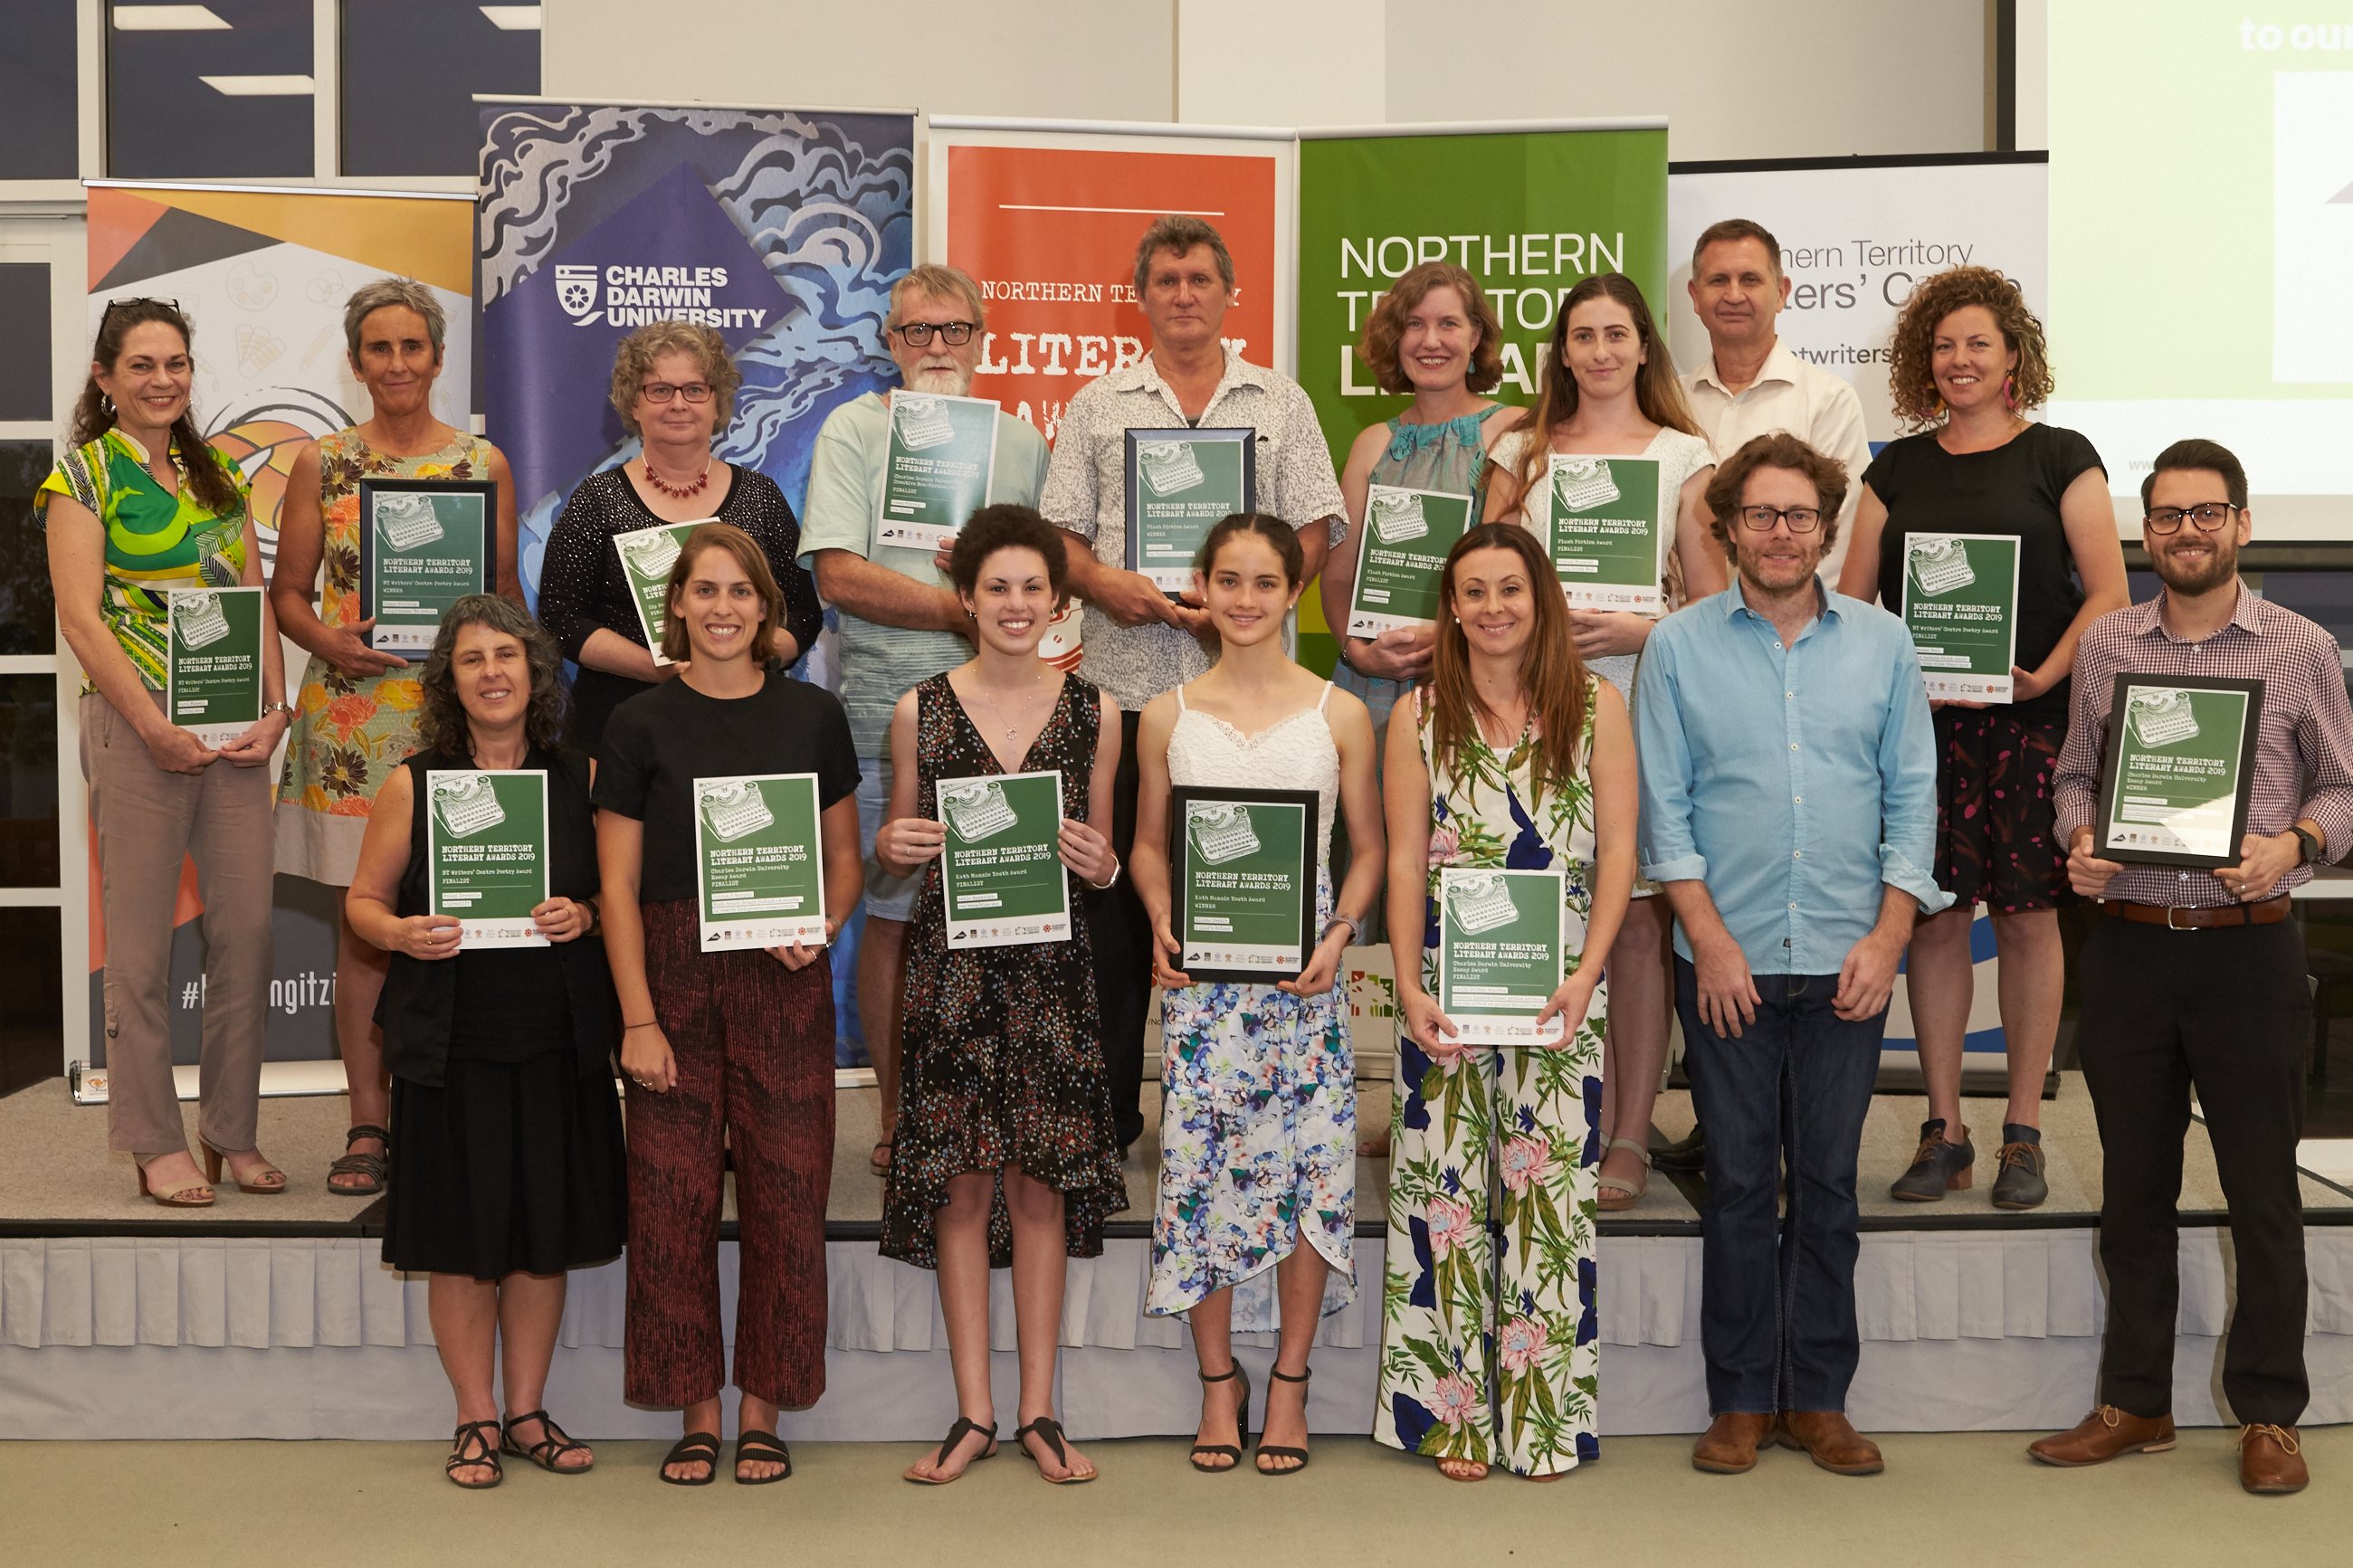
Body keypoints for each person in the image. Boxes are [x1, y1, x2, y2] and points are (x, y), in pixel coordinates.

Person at [2030, 439, 2352, 1497]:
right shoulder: (2111, 641)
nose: (2184, 532)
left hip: (2247, 947)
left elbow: (2346, 791)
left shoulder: (2300, 645)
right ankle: (2136, 1401)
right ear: (2145, 530)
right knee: (2133, 1193)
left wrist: (2295, 843)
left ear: (2241, 524)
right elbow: (2076, 772)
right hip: (2125, 947)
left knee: (2262, 1190)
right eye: (2165, 516)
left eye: (2204, 513)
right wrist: (2078, 837)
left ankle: (2268, 1410)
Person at [1637, 432, 1948, 1478]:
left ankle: (1815, 1396)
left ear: (1827, 526)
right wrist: (1708, 939)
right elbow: (1662, 811)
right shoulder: (1675, 647)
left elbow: (1913, 796)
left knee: (1824, 1181)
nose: (1779, 534)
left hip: (1847, 955)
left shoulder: (1884, 643)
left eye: (1799, 516)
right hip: (1721, 958)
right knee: (1732, 1180)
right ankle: (1736, 1399)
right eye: (1759, 515)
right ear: (1725, 528)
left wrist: (1890, 933)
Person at [1041, 214, 1348, 1160]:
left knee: (1241, 901)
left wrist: (1247, 601)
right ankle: (1110, 1116)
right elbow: (1061, 538)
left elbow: (1315, 525)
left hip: (1249, 704)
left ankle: (1226, 1106)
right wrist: (1108, 586)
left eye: (1199, 278)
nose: (1182, 293)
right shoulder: (1096, 404)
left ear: (1228, 294)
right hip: (1127, 696)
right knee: (1120, 919)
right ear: (1140, 295)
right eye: (1165, 279)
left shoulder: (1280, 401)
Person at [1837, 267, 2126, 1210]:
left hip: (2032, 724)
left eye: (1976, 344)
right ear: (1925, 361)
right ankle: (1943, 1127)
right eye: (1942, 345)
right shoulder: (1894, 469)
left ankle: (2022, 1133)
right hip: (1922, 734)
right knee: (1931, 918)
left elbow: (2109, 597)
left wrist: (2041, 674)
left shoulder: (2060, 457)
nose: (1957, 360)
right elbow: (1851, 602)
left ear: (2012, 357)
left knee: (2027, 917)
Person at [593, 523, 863, 1486]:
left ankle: (764, 1407)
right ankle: (694, 1405)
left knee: (789, 1197)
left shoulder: (812, 717)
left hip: (781, 978)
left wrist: (821, 926)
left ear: (765, 607)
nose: (720, 607)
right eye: (702, 591)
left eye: (738, 592)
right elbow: (614, 888)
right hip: (669, 972)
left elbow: (843, 867)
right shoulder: (636, 725)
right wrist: (636, 1017)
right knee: (670, 1200)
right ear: (676, 607)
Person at [1372, 522, 1635, 1481]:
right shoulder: (1412, 716)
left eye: (1509, 589)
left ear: (1541, 598)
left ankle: (1541, 1420)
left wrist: (1586, 971)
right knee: (1442, 1200)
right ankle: (1453, 1418)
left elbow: (1616, 857)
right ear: (1450, 605)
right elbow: (1402, 861)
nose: (1491, 607)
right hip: (1444, 995)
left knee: (1546, 1203)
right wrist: (1405, 982)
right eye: (1473, 590)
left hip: (1558, 993)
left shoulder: (1596, 705)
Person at [347, 594, 624, 1489]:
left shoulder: (580, 778)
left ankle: (528, 1410)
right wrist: (397, 935)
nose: (493, 671)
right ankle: (473, 1417)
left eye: (507, 653)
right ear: (449, 681)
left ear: (534, 671)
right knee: (465, 1239)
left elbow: (613, 900)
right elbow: (361, 903)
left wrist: (580, 912)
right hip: (451, 1040)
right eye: (472, 659)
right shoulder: (412, 783)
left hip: (555, 1037)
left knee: (541, 1236)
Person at [875, 507, 1126, 1487]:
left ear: (1057, 601)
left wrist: (1100, 863)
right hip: (953, 972)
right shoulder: (918, 708)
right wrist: (891, 848)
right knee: (963, 1183)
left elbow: (1103, 863)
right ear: (967, 599)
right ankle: (973, 1410)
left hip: (1052, 978)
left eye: (1032, 587)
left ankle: (1038, 1410)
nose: (1015, 605)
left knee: (1037, 1185)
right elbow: (897, 855)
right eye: (996, 587)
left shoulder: (1096, 711)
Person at [1130, 514, 1384, 1477]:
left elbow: (1371, 848)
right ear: (1201, 583)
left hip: (1301, 979)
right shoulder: (1168, 711)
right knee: (1196, 1169)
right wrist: (1156, 916)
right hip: (1200, 985)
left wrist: (1336, 936)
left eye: (1263, 582)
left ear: (1291, 591)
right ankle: (1214, 1382)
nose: (1243, 599)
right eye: (1226, 580)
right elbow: (1150, 844)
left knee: (1309, 1173)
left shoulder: (1339, 713)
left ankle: (1287, 1378)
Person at [271, 277, 523, 1198]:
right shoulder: (321, 464)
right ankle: (368, 1121)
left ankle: (456, 1111)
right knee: (369, 934)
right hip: (351, 726)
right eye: (379, 348)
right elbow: (287, 594)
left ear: (438, 357)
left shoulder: (482, 463)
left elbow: (501, 602)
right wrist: (327, 637)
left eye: (412, 346)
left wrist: (517, 706)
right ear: (357, 360)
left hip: (460, 726)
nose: (397, 363)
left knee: (474, 917)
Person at [800, 265, 1051, 1178]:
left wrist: (992, 617)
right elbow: (837, 575)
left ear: (983, 338)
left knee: (1011, 914)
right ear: (889, 341)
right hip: (880, 710)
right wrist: (961, 610)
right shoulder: (854, 431)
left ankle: (1003, 1106)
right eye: (917, 332)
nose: (936, 347)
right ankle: (905, 1116)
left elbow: (1041, 584)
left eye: (954, 330)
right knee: (893, 917)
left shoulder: (1020, 442)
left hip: (1010, 710)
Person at [42, 299, 292, 1205]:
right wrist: (150, 723)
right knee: (142, 954)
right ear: (105, 378)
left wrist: (277, 709)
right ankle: (154, 1141)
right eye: (142, 364)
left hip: (232, 737)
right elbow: (79, 617)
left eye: (176, 363)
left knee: (249, 936)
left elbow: (251, 595)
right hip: (136, 732)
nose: (163, 380)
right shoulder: (83, 476)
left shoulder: (219, 469)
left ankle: (232, 1129)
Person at [1484, 272, 1721, 1213]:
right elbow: (1485, 577)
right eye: (1579, 334)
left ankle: (1625, 1128)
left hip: (1641, 697)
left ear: (1641, 347)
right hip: (1531, 702)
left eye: (1614, 333)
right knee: (1530, 900)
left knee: (1630, 921)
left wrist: (1642, 628)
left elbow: (1710, 603)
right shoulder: (1518, 448)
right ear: (1560, 351)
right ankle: (1533, 1116)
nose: (1596, 350)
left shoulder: (1682, 453)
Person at [537, 319, 823, 754]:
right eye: (660, 390)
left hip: (744, 721)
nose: (678, 404)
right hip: (621, 725)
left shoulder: (761, 497)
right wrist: (654, 668)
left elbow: (801, 612)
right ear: (634, 403)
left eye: (695, 389)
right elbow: (561, 617)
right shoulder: (597, 499)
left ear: (717, 403)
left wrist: (747, 661)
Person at [1322, 261, 1524, 736]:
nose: (1431, 341)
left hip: (1481, 673)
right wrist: (1356, 649)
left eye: (1448, 324)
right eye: (1415, 324)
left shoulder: (1514, 429)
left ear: (1475, 336)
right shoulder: (1371, 444)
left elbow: (1522, 573)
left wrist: (1454, 633)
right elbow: (1337, 577)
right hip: (1376, 683)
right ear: (1396, 338)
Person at [1681, 218, 1872, 586]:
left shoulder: (1828, 401)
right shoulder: (1669, 401)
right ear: (1694, 296)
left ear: (1782, 292)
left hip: (1793, 633)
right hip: (1682, 631)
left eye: (1750, 280)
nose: (1734, 295)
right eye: (1718, 280)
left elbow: (1838, 543)